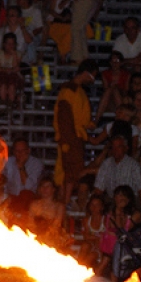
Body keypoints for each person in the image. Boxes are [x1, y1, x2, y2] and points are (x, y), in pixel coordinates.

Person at [53, 59, 98, 204]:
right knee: (70, 173)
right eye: (93, 75)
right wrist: (68, 141)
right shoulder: (69, 90)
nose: (93, 79)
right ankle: (64, 205)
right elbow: (64, 117)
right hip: (70, 138)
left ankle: (63, 204)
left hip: (76, 136)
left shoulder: (78, 91)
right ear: (86, 73)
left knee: (69, 172)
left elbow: (78, 116)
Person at [93, 134, 141, 207]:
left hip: (129, 202)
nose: (115, 150)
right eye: (113, 147)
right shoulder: (106, 164)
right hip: (111, 200)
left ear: (125, 148)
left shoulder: (134, 165)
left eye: (119, 147)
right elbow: (98, 189)